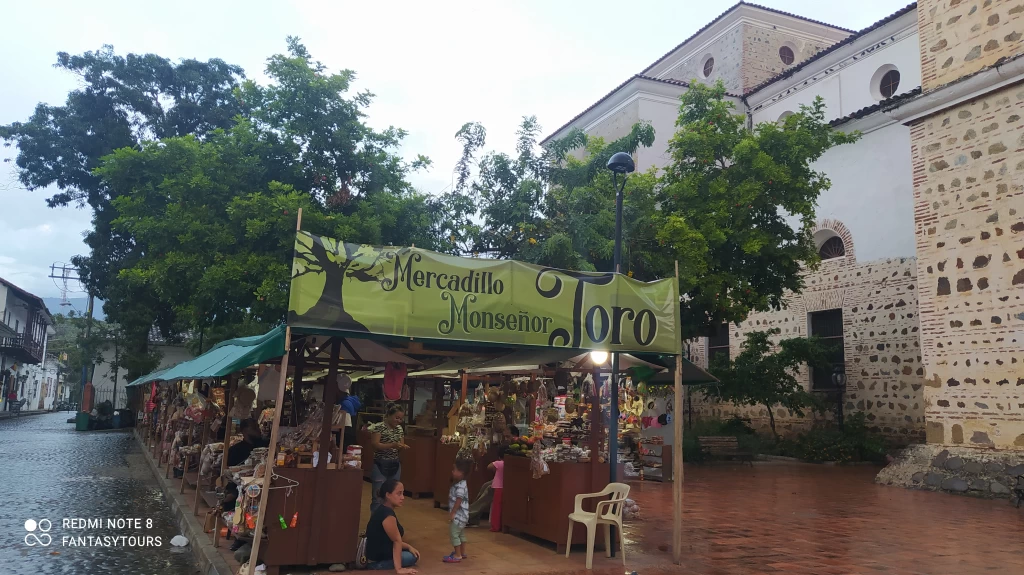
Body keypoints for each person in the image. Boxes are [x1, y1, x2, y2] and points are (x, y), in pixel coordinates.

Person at [365, 478, 420, 573]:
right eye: (399, 494)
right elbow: (396, 540)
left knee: (411, 552)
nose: (402, 497)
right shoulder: (387, 515)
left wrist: (408, 546)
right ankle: (382, 565)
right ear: (388, 495)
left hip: (378, 554)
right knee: (412, 557)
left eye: (403, 493)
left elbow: (388, 540)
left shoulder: (383, 510)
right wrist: (399, 569)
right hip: (376, 560)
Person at [369, 404, 409, 514]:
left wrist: (401, 447)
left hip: (395, 464)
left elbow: (400, 444)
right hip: (380, 463)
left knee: (393, 497)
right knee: (378, 497)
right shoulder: (379, 427)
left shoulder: (400, 429)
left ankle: (388, 522)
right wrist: (392, 445)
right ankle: (375, 526)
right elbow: (375, 445)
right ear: (389, 415)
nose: (399, 421)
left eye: (401, 419)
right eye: (396, 417)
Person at [444, 460, 471, 563]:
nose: (452, 472)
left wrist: (453, 512)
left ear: (461, 473)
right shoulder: (462, 483)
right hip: (463, 516)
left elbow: (459, 500)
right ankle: (462, 552)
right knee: (461, 534)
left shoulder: (460, 485)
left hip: (458, 515)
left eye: (454, 470)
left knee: (454, 533)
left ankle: (457, 555)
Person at [487, 454, 505, 533]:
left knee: (496, 508)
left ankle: (495, 526)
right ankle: (501, 525)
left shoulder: (499, 463)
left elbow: (489, 467)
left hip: (498, 486)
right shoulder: (509, 464)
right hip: (505, 486)